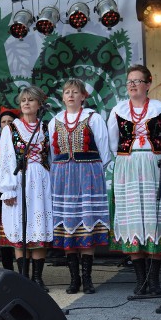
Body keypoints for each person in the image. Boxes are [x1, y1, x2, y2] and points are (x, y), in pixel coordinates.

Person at [108, 65, 161, 296]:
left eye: (137, 81)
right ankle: (140, 280)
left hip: (154, 165)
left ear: (148, 84)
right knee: (132, 220)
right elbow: (113, 143)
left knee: (154, 219)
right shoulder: (118, 110)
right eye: (129, 81)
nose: (132, 85)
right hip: (127, 166)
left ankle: (155, 280)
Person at [49, 79, 110, 294]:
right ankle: (74, 278)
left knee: (86, 223)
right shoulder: (54, 120)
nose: (71, 95)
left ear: (83, 96)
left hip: (88, 175)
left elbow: (104, 152)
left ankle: (87, 277)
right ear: (63, 97)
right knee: (68, 224)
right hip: (63, 177)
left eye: (75, 91)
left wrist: (97, 175)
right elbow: (52, 153)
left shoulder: (93, 118)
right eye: (67, 92)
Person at [0, 86, 54, 291]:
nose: (26, 103)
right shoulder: (10, 129)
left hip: (41, 181)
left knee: (39, 227)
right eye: (23, 100)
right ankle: (23, 278)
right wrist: (8, 189)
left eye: (31, 100)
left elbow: (52, 157)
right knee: (21, 227)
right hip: (20, 179)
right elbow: (6, 160)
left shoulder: (46, 127)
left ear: (39, 104)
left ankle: (37, 278)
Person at [0, 106, 20, 271]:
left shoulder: (20, 143)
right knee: (2, 230)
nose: (7, 124)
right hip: (0, 193)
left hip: (18, 189)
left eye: (10, 122)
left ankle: (23, 269)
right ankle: (7, 269)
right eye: (4, 122)